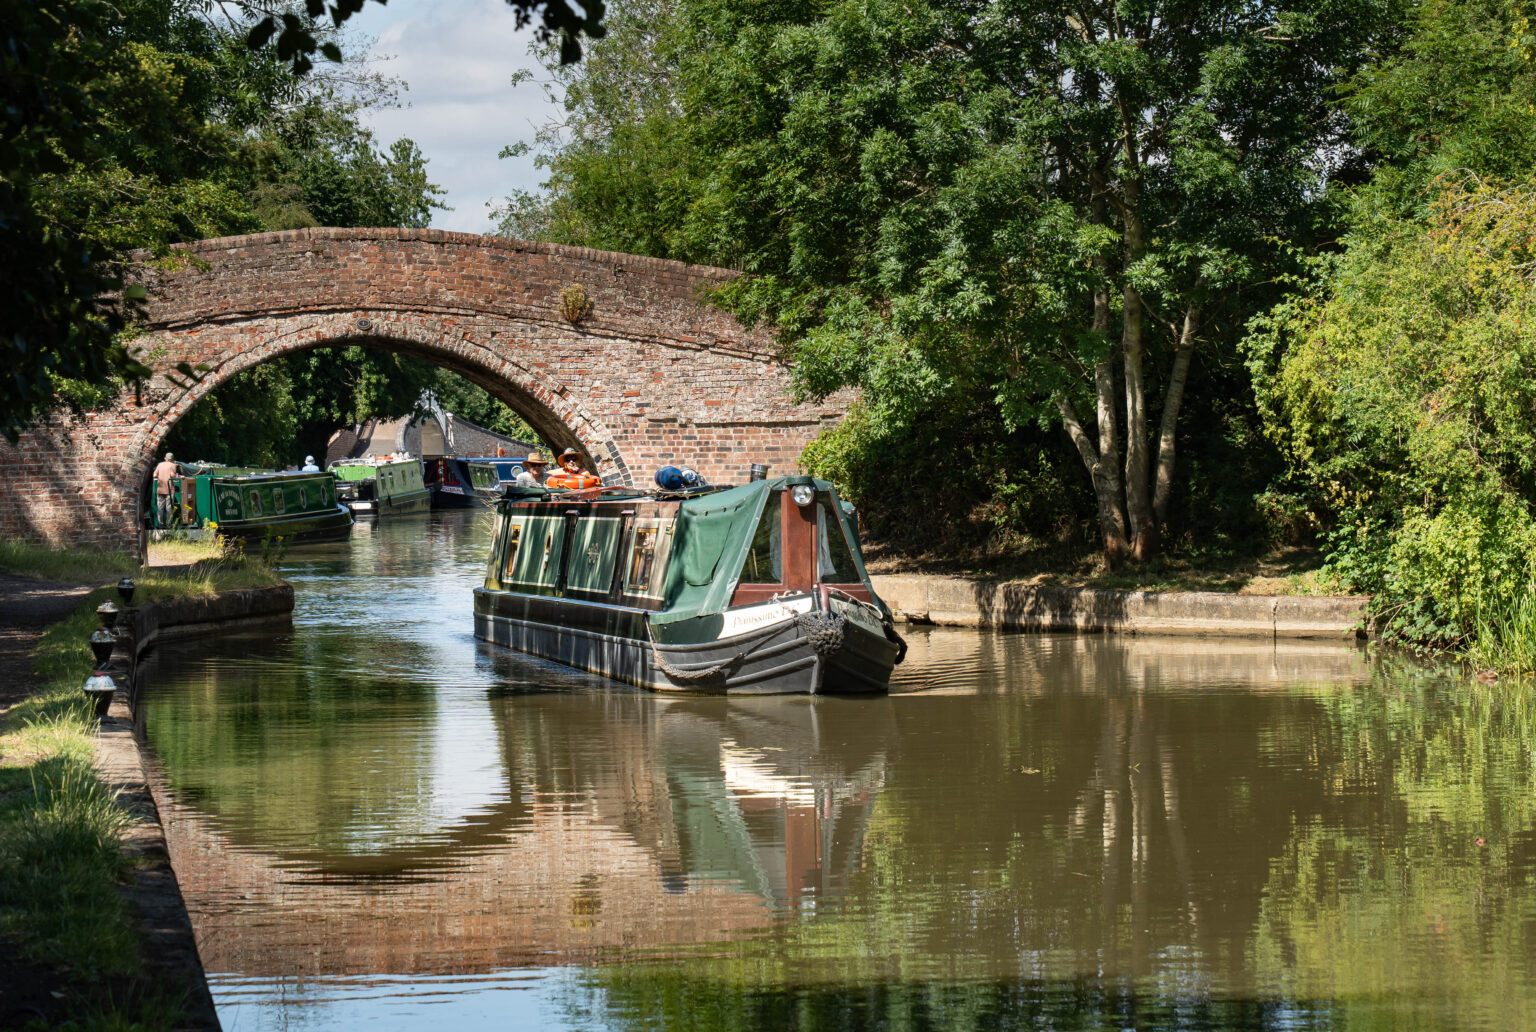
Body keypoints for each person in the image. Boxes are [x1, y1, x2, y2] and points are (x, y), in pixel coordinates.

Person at [152, 452, 179, 528]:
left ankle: (160, 524)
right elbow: (173, 475)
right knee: (169, 508)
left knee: (160, 508)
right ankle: (169, 524)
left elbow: (154, 475)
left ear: (165, 458)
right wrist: (179, 476)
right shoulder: (173, 465)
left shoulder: (160, 464)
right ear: (172, 459)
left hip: (160, 489)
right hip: (169, 489)